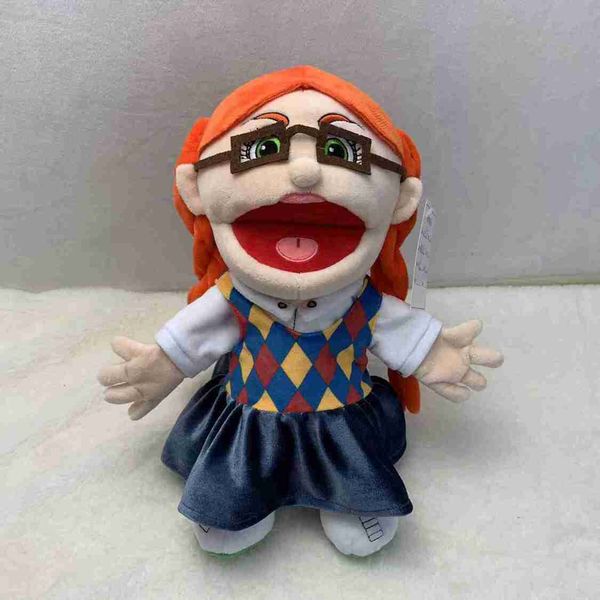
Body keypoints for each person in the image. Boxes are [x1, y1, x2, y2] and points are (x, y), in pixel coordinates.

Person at [98, 66, 503, 557]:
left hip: (339, 421)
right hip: (254, 423)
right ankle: (237, 504)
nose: (306, 172)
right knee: (240, 482)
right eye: (263, 148)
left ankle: (350, 498)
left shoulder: (363, 303)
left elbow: (401, 331)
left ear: (401, 199)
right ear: (196, 187)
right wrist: (161, 366)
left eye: (342, 151)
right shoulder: (233, 298)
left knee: (351, 470)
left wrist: (434, 353)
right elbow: (193, 338)